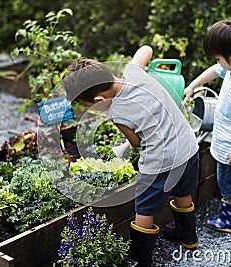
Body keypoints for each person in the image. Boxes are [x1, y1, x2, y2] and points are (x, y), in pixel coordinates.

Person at [62, 45, 199, 266]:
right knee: (183, 191)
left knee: (143, 208)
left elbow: (136, 143)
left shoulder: (116, 113)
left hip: (161, 162)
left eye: (89, 106)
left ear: (98, 100)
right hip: (188, 146)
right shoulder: (134, 71)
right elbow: (146, 49)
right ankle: (188, 237)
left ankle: (139, 258)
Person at [184, 19, 231, 233]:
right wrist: (193, 85)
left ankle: (230, 221)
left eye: (219, 57)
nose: (217, 62)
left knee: (228, 183)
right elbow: (216, 71)